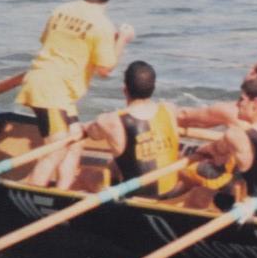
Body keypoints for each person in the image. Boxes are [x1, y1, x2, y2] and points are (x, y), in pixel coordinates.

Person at [16, 0, 133, 189]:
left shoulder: (61, 10)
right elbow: (105, 69)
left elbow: (49, 42)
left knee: (75, 141)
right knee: (56, 149)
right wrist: (122, 40)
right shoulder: (103, 26)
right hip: (50, 90)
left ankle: (63, 192)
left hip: (49, 86)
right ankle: (32, 192)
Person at [188, 78, 257, 218]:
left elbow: (217, 151)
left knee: (198, 194)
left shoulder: (238, 135)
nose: (237, 104)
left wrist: (204, 151)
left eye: (241, 99)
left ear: (255, 103)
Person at [77, 60, 183, 198]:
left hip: (136, 198)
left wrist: (83, 128)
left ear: (125, 90)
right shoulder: (169, 109)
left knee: (86, 175)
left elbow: (93, 134)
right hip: (171, 192)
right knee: (114, 164)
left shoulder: (111, 120)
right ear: (153, 88)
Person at [176, 56, 257, 128]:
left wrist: (168, 110)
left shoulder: (230, 111)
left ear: (253, 74)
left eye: (252, 68)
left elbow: (183, 116)